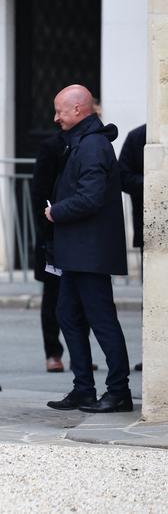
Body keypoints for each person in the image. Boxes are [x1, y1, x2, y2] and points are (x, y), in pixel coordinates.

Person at [45, 85, 132, 413]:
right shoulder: (83, 141)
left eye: (60, 111)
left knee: (102, 320)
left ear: (78, 110)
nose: (56, 118)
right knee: (67, 314)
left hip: (90, 253)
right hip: (79, 251)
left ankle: (118, 391)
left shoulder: (93, 145)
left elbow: (91, 198)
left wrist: (56, 212)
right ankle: (83, 389)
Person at [29, 131, 67, 373]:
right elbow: (39, 192)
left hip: (80, 233)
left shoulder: (92, 143)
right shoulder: (52, 146)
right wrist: (47, 229)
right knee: (52, 296)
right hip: (53, 233)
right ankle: (52, 352)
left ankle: (80, 350)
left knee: (83, 297)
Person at [119, 123, 145, 372]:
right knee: (153, 298)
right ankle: (154, 352)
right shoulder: (139, 137)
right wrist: (153, 182)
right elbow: (123, 176)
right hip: (150, 230)